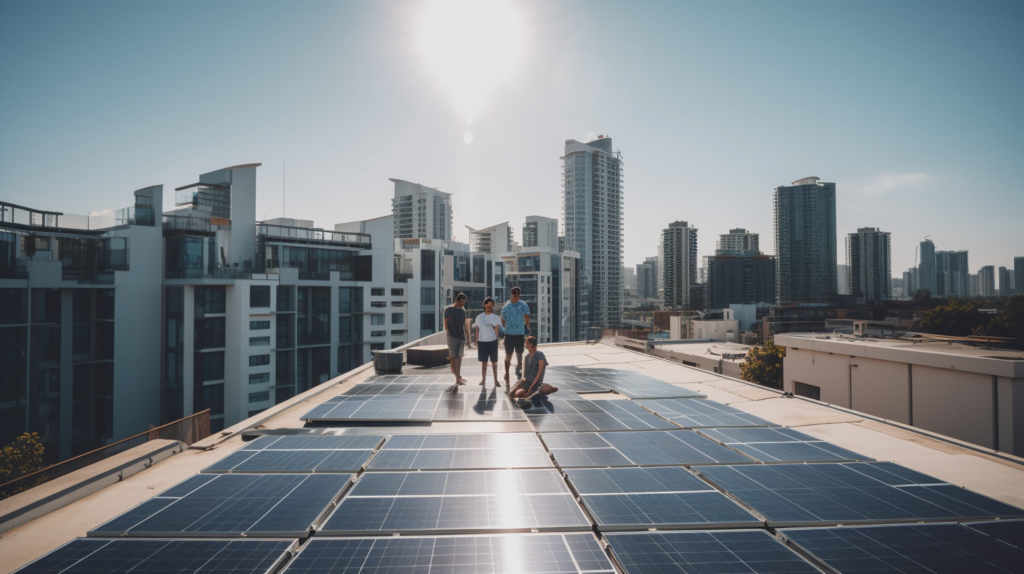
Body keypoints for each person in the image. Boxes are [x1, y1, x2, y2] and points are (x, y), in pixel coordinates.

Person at [510, 336, 558, 404]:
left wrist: (530, 388)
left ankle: (541, 392)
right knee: (512, 394)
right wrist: (522, 379)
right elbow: (523, 370)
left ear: (530, 344)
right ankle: (531, 394)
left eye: (527, 344)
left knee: (519, 394)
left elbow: (539, 373)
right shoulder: (527, 356)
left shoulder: (540, 355)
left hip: (535, 384)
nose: (526, 345)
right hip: (525, 383)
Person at [500, 286, 531, 386]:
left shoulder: (523, 305)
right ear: (511, 294)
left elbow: (527, 317)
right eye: (514, 295)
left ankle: (519, 368)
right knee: (508, 354)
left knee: (519, 353)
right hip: (509, 334)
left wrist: (528, 328)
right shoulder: (506, 307)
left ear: (519, 295)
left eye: (517, 295)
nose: (516, 297)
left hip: (519, 333)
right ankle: (507, 372)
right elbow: (502, 320)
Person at [473, 297, 502, 387]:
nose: (489, 306)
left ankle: (496, 380)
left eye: (491, 305)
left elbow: (497, 329)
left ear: (493, 306)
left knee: (494, 362)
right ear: (484, 305)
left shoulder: (495, 317)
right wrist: (476, 342)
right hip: (482, 341)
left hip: (492, 341)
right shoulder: (479, 317)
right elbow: (477, 329)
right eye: (487, 304)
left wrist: (496, 340)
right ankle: (483, 380)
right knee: (484, 362)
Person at [444, 293, 471, 385]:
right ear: (458, 301)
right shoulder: (448, 309)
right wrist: (449, 332)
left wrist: (468, 339)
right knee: (453, 357)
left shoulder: (462, 311)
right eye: (462, 302)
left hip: (461, 336)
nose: (463, 304)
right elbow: (446, 322)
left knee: (459, 357)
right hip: (451, 336)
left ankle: (458, 376)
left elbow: (464, 325)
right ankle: (457, 377)